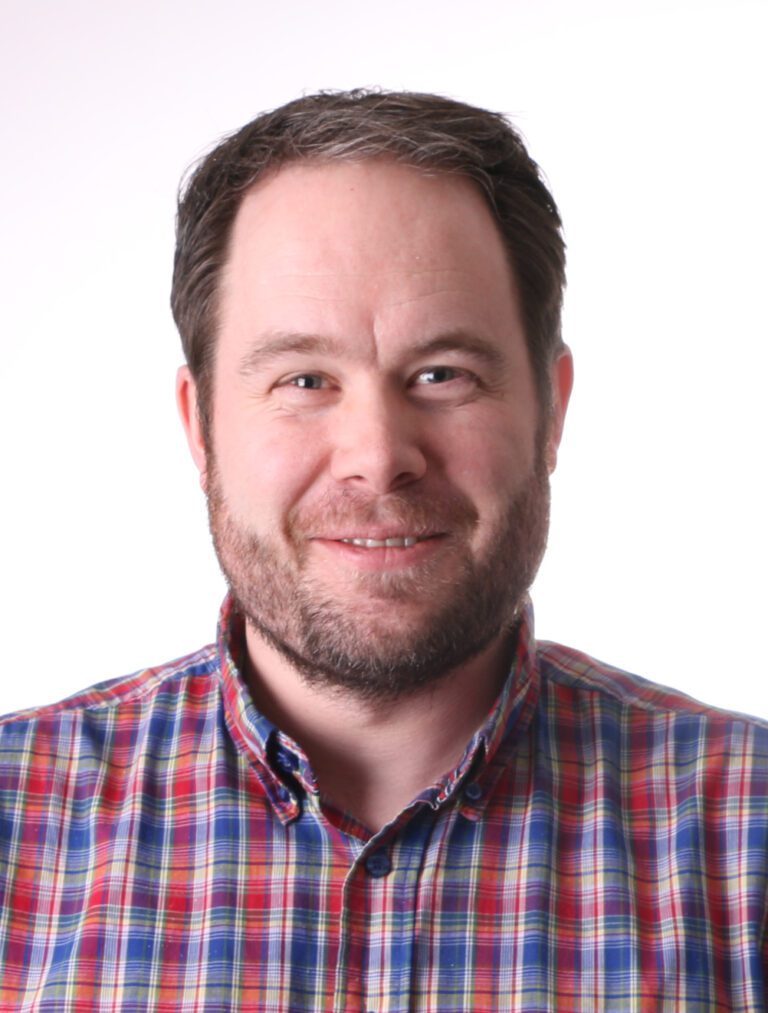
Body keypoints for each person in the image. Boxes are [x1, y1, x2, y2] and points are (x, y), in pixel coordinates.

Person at [0, 89, 766, 1012]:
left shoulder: (747, 832)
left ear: (551, 409)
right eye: (304, 379)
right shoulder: (15, 821)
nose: (377, 456)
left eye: (443, 374)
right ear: (200, 426)